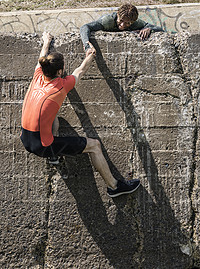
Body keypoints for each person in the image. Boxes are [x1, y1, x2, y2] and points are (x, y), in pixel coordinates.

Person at [20, 31, 140, 198]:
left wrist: (46, 41)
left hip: (25, 139)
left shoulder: (37, 75)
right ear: (60, 71)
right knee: (94, 145)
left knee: (52, 114)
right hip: (42, 145)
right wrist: (90, 55)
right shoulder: (60, 86)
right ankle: (114, 187)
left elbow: (41, 56)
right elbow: (80, 71)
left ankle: (53, 156)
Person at [80, 3, 164, 56]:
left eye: (127, 23)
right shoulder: (108, 21)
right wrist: (87, 46)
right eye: (121, 21)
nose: (123, 25)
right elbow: (85, 27)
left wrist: (148, 29)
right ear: (118, 15)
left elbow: (160, 29)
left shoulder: (135, 23)